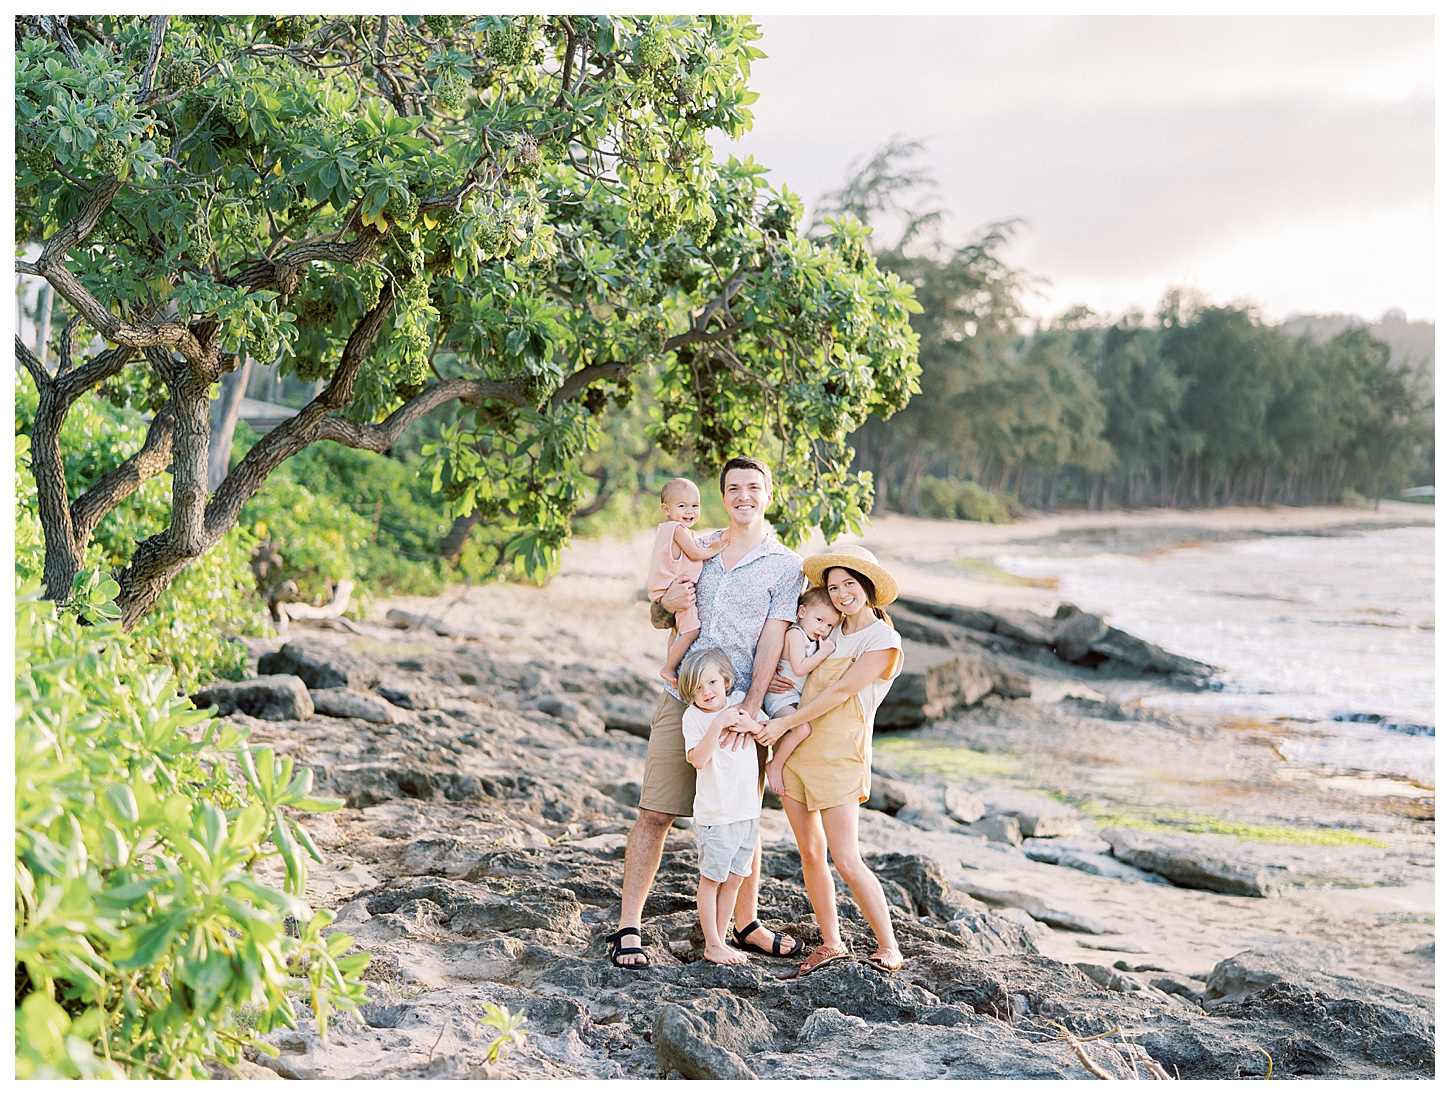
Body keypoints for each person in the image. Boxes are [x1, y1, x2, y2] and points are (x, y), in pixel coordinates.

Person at [607, 456, 806, 969]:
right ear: (723, 496)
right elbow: (664, 604)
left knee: (743, 816)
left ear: (769, 494)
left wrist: (751, 704)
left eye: (753, 487)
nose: (744, 495)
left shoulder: (786, 565)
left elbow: (773, 638)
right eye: (734, 488)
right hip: (683, 700)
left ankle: (746, 923)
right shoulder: (698, 543)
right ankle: (628, 924)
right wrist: (664, 603)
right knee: (655, 811)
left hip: (740, 708)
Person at [759, 544, 906, 976]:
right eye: (835, 586)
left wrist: (786, 725)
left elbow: (840, 693)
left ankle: (890, 946)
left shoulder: (883, 640)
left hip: (840, 753)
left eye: (850, 585)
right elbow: (798, 669)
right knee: (809, 851)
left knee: (846, 858)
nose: (842, 594)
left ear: (868, 588)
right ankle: (832, 942)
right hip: (799, 750)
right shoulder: (827, 629)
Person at [677, 648, 766, 966]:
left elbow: (766, 735)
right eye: (698, 688)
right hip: (717, 814)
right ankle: (711, 943)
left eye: (712, 682)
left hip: (747, 812)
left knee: (734, 879)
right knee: (711, 880)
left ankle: (722, 939)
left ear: (726, 680)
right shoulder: (694, 717)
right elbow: (698, 759)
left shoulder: (741, 702)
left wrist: (748, 725)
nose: (707, 692)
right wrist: (720, 724)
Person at [648, 478, 729, 684]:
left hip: (667, 590)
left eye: (695, 505)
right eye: (682, 506)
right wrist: (715, 549)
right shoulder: (676, 529)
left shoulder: (668, 530)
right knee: (691, 630)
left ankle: (670, 664)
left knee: (678, 630)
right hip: (675, 591)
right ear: (666, 509)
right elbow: (694, 553)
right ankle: (669, 667)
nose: (690, 511)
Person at [762, 587, 841, 796]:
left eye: (830, 625)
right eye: (819, 620)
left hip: (792, 698)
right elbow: (799, 667)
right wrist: (824, 652)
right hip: (779, 696)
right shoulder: (795, 634)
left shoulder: (811, 637)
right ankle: (774, 765)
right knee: (801, 729)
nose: (824, 629)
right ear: (802, 612)